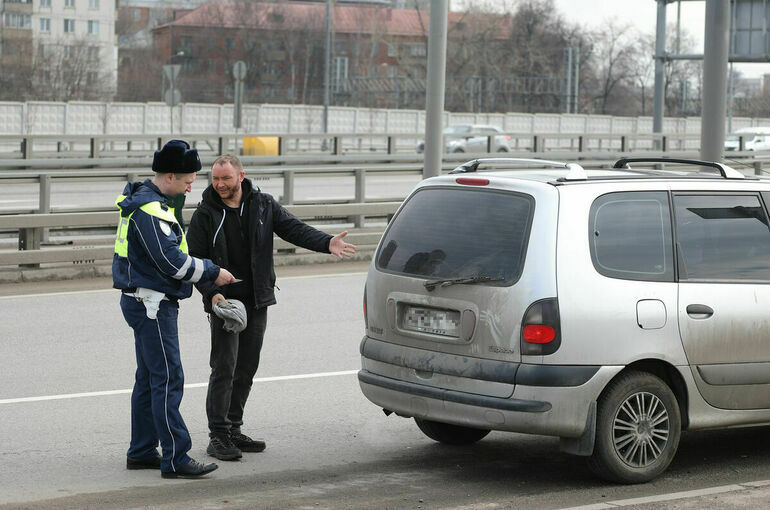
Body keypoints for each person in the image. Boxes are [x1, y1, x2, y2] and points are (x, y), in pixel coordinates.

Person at [186, 154, 356, 461]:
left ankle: (234, 428)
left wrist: (327, 242)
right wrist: (212, 294)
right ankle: (218, 435)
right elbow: (196, 260)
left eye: (226, 178)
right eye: (215, 179)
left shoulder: (263, 205)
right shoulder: (205, 214)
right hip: (226, 303)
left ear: (241, 176)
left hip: (257, 298)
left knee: (246, 367)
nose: (220, 184)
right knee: (224, 368)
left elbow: (293, 229)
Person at [113, 139, 237, 479]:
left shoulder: (150, 203)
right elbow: (172, 262)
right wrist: (213, 271)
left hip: (143, 300)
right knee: (168, 379)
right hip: (152, 303)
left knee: (150, 379)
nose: (192, 183)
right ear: (169, 176)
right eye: (187, 178)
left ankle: (141, 451)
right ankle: (176, 458)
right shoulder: (149, 211)